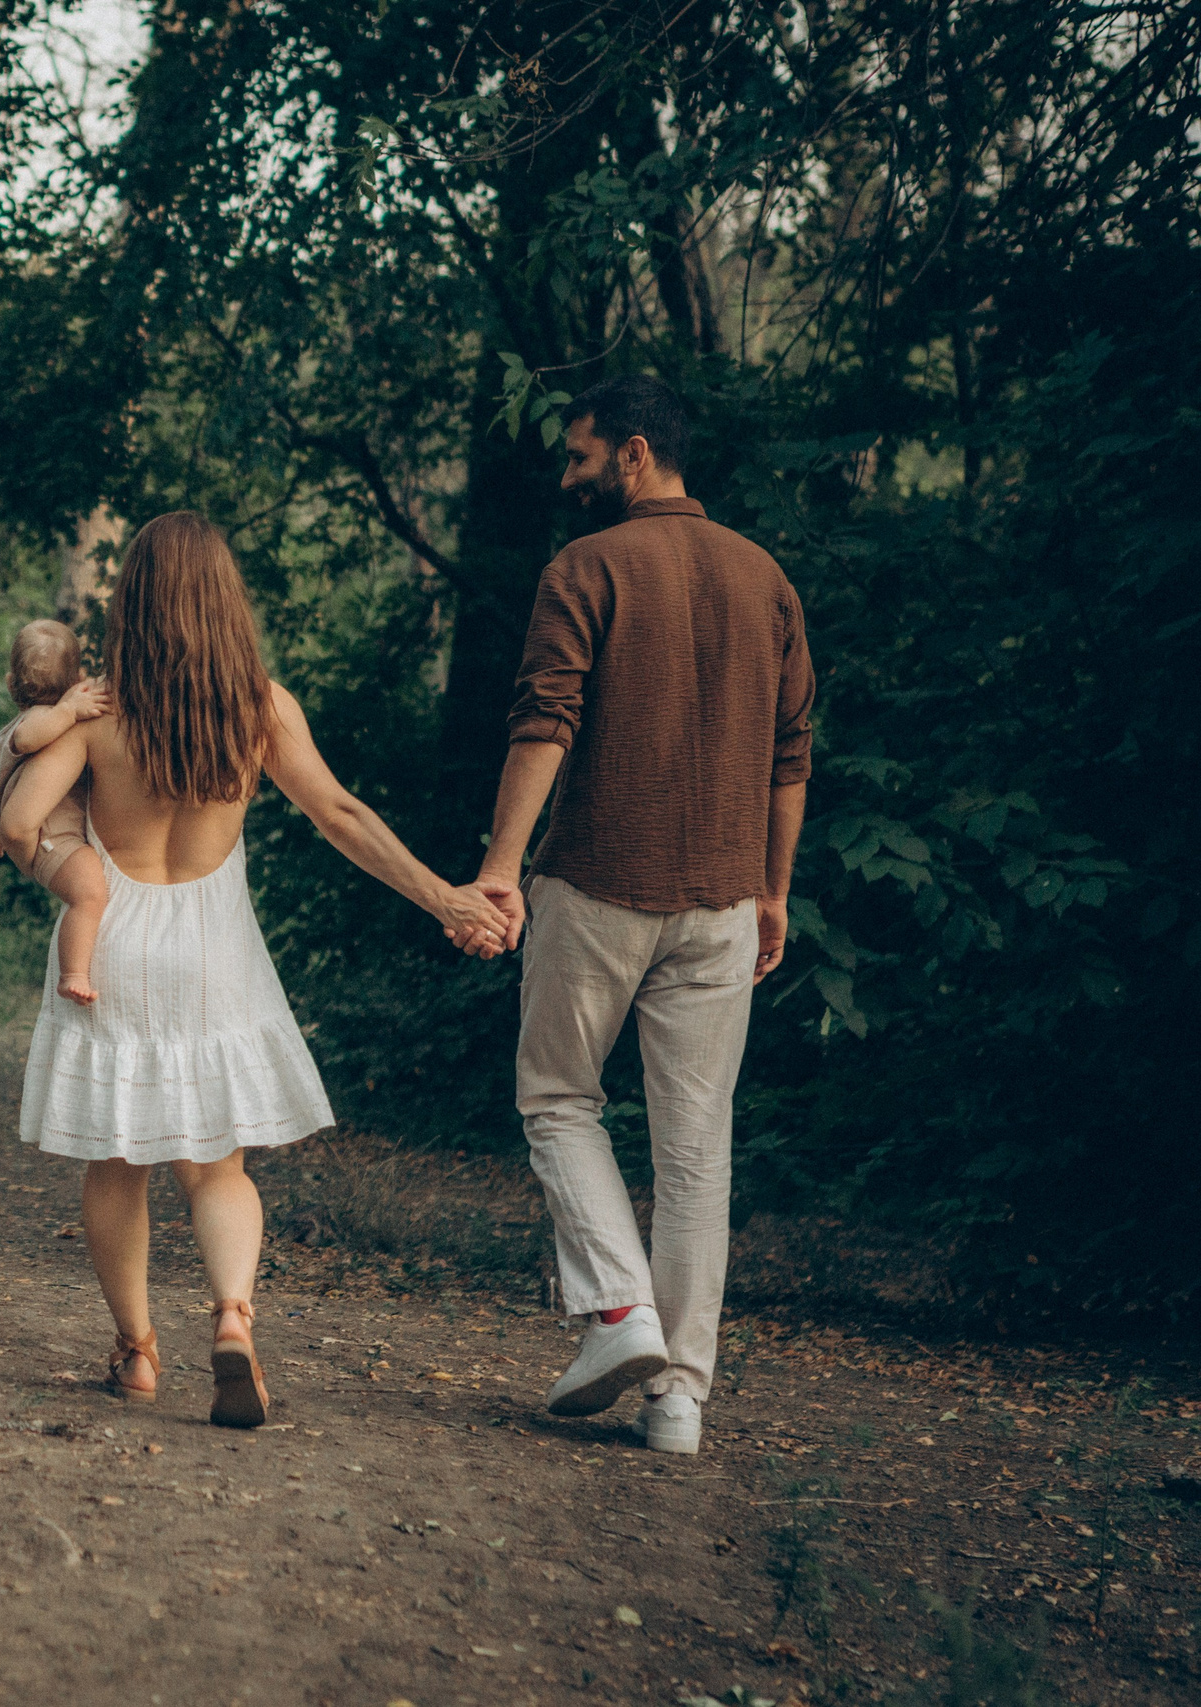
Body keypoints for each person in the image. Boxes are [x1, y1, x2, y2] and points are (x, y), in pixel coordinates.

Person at [0, 512, 510, 1428]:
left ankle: (139, 1352)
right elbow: (343, 816)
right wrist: (446, 898)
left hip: (113, 933)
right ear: (223, 600)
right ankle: (233, 1313)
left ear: (136, 603)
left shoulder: (103, 709)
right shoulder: (261, 708)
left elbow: (19, 822)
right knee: (217, 1163)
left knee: (118, 1159)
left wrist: (56, 866)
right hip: (214, 947)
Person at [471, 376, 815, 1456]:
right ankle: (679, 1401)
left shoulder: (586, 568)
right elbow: (790, 750)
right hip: (722, 898)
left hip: (597, 881)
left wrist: (498, 864)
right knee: (695, 1148)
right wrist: (773, 887)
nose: (567, 477)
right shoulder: (764, 578)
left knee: (558, 1098)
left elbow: (545, 723)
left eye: (578, 458)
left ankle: (619, 1314)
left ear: (629, 454)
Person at [0, 619, 115, 1006]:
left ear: (11, 684)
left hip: (47, 837)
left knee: (89, 895)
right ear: (76, 678)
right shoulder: (37, 721)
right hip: (49, 838)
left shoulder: (49, 715)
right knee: (89, 896)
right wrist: (69, 711)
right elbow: (27, 738)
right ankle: (73, 973)